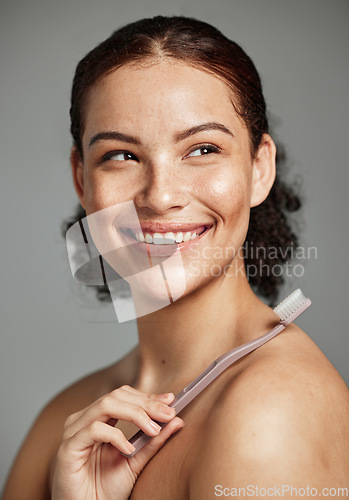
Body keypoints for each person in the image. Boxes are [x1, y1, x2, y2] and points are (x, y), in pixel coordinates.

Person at [3, 15, 348, 500]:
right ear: (82, 181)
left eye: (202, 149)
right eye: (121, 156)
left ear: (258, 169)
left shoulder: (270, 413)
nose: (160, 197)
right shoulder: (70, 416)